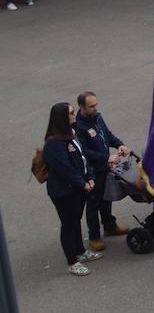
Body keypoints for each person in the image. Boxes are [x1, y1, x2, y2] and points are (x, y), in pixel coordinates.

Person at [43, 102, 101, 276]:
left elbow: (82, 159)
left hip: (78, 188)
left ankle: (80, 251)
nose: (74, 115)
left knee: (76, 219)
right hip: (64, 192)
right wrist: (82, 183)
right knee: (68, 224)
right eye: (70, 113)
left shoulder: (72, 134)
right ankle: (72, 261)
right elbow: (65, 168)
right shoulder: (54, 142)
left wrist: (90, 177)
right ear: (62, 118)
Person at [74, 92, 129, 251]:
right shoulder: (79, 127)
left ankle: (110, 225)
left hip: (104, 167)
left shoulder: (97, 117)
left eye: (95, 105)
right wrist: (106, 157)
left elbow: (107, 135)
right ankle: (94, 237)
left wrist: (119, 144)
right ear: (82, 107)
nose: (95, 108)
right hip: (92, 170)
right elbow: (84, 151)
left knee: (106, 197)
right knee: (94, 202)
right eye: (91, 106)